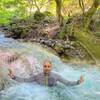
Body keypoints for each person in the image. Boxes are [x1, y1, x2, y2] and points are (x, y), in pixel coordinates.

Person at [8, 60, 84, 87]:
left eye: (48, 66)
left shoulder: (56, 76)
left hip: (55, 90)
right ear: (43, 67)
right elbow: (25, 80)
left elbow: (67, 83)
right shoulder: (37, 76)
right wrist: (13, 77)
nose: (47, 68)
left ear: (51, 67)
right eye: (45, 66)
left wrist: (78, 82)